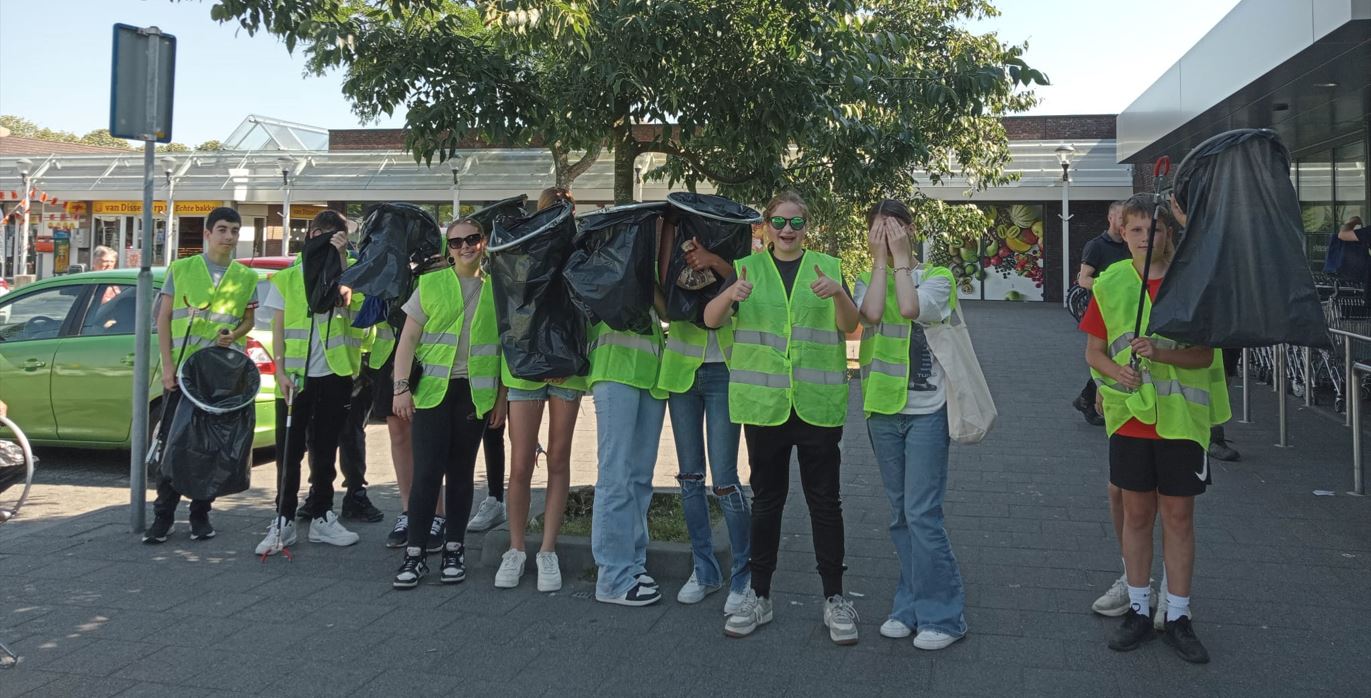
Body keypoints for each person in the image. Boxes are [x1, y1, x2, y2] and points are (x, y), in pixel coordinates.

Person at [705, 191, 861, 645]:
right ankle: (760, 596)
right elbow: (712, 319)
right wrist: (730, 293)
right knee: (768, 502)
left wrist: (838, 295)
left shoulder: (829, 268)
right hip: (766, 407)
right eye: (778, 222)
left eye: (796, 222)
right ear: (765, 227)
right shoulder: (746, 270)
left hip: (817, 404)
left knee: (825, 503)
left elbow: (851, 327)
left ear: (807, 226)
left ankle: (834, 598)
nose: (788, 230)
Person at [1080, 194, 1229, 664]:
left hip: (1181, 422)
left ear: (1169, 234)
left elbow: (1204, 355)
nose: (1146, 239)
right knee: (1138, 516)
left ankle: (1179, 616)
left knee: (1179, 519)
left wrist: (1160, 354)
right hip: (1131, 419)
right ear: (1123, 234)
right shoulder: (1112, 283)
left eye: (1155, 230)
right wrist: (1115, 373)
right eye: (1137, 230)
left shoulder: (1191, 283)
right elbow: (1094, 352)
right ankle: (1140, 610)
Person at [855, 199, 966, 651]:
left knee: (923, 514)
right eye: (878, 228)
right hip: (883, 409)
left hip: (926, 411)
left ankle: (945, 614)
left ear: (910, 229)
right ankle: (909, 603)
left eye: (894, 227)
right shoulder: (866, 279)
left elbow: (908, 308)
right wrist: (880, 261)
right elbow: (874, 313)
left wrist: (901, 258)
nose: (886, 233)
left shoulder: (939, 278)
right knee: (901, 514)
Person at [390, 218, 506, 588]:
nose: (465, 247)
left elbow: (504, 347)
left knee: (460, 473)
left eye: (472, 239)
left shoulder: (498, 288)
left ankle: (455, 549)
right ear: (448, 249)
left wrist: (501, 398)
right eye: (456, 242)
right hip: (433, 394)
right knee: (426, 473)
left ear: (484, 242)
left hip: (475, 394)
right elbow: (407, 339)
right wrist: (400, 387)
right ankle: (415, 552)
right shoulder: (431, 283)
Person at [655, 210, 751, 614]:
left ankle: (745, 576)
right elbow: (664, 308)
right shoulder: (674, 252)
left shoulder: (736, 256)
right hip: (682, 375)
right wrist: (670, 242)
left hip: (723, 374)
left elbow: (748, 293)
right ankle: (705, 569)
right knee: (691, 477)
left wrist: (713, 261)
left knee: (726, 480)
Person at [145, 207, 259, 544]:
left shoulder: (246, 277)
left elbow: (249, 322)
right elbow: (163, 319)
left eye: (234, 231)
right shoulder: (181, 269)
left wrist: (234, 335)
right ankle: (162, 518)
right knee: (173, 444)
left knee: (211, 449)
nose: (228, 236)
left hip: (221, 378)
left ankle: (200, 516)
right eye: (222, 229)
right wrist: (167, 367)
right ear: (207, 233)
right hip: (183, 373)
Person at [255, 210, 366, 555]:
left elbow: (356, 310)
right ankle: (284, 519)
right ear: (311, 234)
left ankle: (322, 515)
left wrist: (342, 261)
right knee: (289, 451)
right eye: (322, 234)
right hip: (297, 377)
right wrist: (281, 371)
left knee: (325, 449)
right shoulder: (287, 279)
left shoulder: (348, 274)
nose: (325, 240)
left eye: (335, 236)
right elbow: (277, 327)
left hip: (334, 374)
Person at [494, 187, 583, 593]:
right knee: (520, 465)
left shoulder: (579, 246)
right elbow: (510, 306)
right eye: (556, 208)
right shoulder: (517, 247)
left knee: (559, 460)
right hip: (525, 367)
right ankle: (515, 549)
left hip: (566, 368)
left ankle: (547, 550)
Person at [585, 202, 670, 608]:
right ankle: (613, 576)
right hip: (615, 372)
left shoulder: (643, 269)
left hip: (650, 377)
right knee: (616, 475)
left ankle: (633, 562)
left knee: (639, 477)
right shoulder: (603, 263)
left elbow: (667, 310)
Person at [1072, 202, 1129, 426]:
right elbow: (1083, 278)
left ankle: (1087, 399)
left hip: (1124, 309)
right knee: (1106, 356)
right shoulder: (1096, 245)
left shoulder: (1129, 245)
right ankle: (1089, 399)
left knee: (1117, 356)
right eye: (1121, 217)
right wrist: (1109, 286)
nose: (1124, 221)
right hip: (1104, 308)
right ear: (1110, 218)